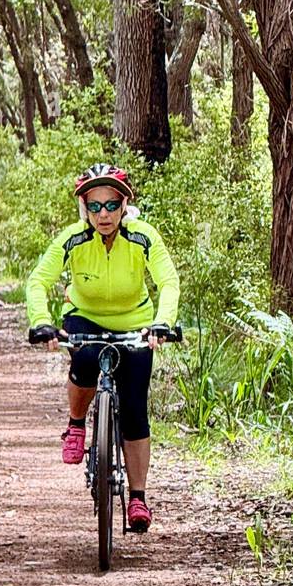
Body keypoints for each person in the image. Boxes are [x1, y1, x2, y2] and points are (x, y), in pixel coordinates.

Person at [26, 163, 180, 533]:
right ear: (84, 209)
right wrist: (41, 322)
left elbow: (168, 281)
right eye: (94, 207)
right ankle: (77, 424)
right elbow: (38, 281)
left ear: (125, 204)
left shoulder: (143, 236)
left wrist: (163, 323)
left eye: (111, 204)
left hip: (136, 323)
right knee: (86, 360)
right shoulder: (72, 239)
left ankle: (138, 497)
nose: (104, 214)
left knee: (134, 408)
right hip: (85, 317)